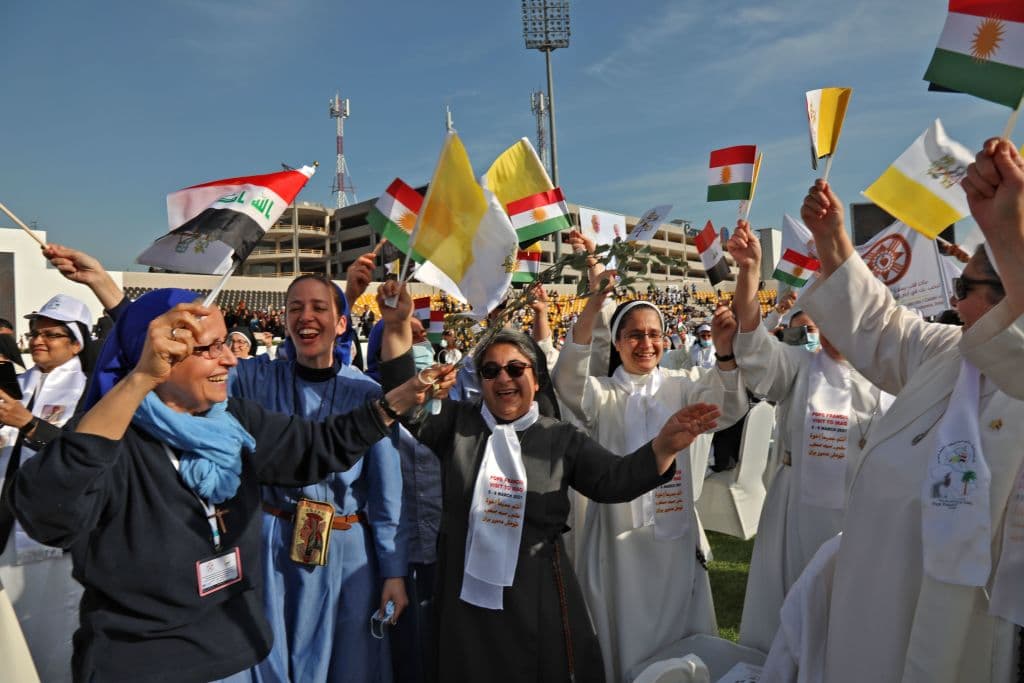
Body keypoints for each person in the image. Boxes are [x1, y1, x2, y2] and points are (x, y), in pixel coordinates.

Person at [9, 289, 441, 683]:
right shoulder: (117, 440)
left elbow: (317, 446)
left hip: (235, 654)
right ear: (161, 354)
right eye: (210, 348)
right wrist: (139, 380)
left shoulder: (233, 422)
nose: (231, 359)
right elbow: (50, 514)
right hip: (148, 665)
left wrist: (394, 402)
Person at [761, 139, 1024, 682]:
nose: (953, 301)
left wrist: (1006, 233)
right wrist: (834, 240)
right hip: (875, 597)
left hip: (963, 620)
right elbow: (883, 326)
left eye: (967, 288)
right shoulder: (949, 352)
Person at [375, 280, 722, 683]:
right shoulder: (456, 426)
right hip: (466, 600)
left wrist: (662, 447)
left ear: (536, 379)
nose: (504, 379)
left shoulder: (559, 437)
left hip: (537, 595)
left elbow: (613, 480)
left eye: (516, 368)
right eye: (491, 371)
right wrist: (398, 326)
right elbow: (405, 405)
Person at [550, 271, 747, 682]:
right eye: (635, 335)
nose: (646, 344)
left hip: (672, 537)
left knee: (678, 623)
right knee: (623, 625)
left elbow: (726, 408)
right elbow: (567, 381)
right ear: (618, 342)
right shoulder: (601, 394)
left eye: (655, 334)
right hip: (617, 542)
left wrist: (726, 353)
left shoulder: (683, 385)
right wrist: (591, 307)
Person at [227, 273, 408, 683]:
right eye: (295, 308)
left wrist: (393, 572)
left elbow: (386, 494)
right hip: (273, 544)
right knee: (269, 654)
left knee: (348, 663)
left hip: (346, 551)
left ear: (342, 323)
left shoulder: (367, 393)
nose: (305, 317)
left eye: (319, 308)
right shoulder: (258, 378)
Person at [725, 219, 891, 653]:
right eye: (828, 319)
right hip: (797, 505)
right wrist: (748, 273)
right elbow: (753, 345)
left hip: (863, 510)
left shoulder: (890, 376)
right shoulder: (799, 367)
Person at [0, 293, 93, 682]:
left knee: (53, 636)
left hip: (52, 538)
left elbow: (86, 456)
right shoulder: (14, 383)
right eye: (35, 332)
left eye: (52, 334)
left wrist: (27, 423)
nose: (39, 340)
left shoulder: (88, 391)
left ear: (76, 342)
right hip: (5, 526)